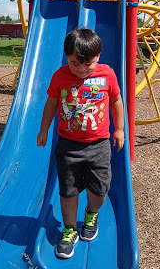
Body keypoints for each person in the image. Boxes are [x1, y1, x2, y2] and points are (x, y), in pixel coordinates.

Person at [37, 27, 125, 259]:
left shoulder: (107, 74)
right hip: (69, 146)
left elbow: (116, 99)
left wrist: (119, 129)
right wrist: (43, 129)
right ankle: (68, 229)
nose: (82, 70)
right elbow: (52, 103)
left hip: (99, 145)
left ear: (99, 57)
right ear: (67, 56)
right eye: (75, 63)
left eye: (89, 64)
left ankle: (91, 214)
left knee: (99, 188)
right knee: (68, 190)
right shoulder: (60, 76)